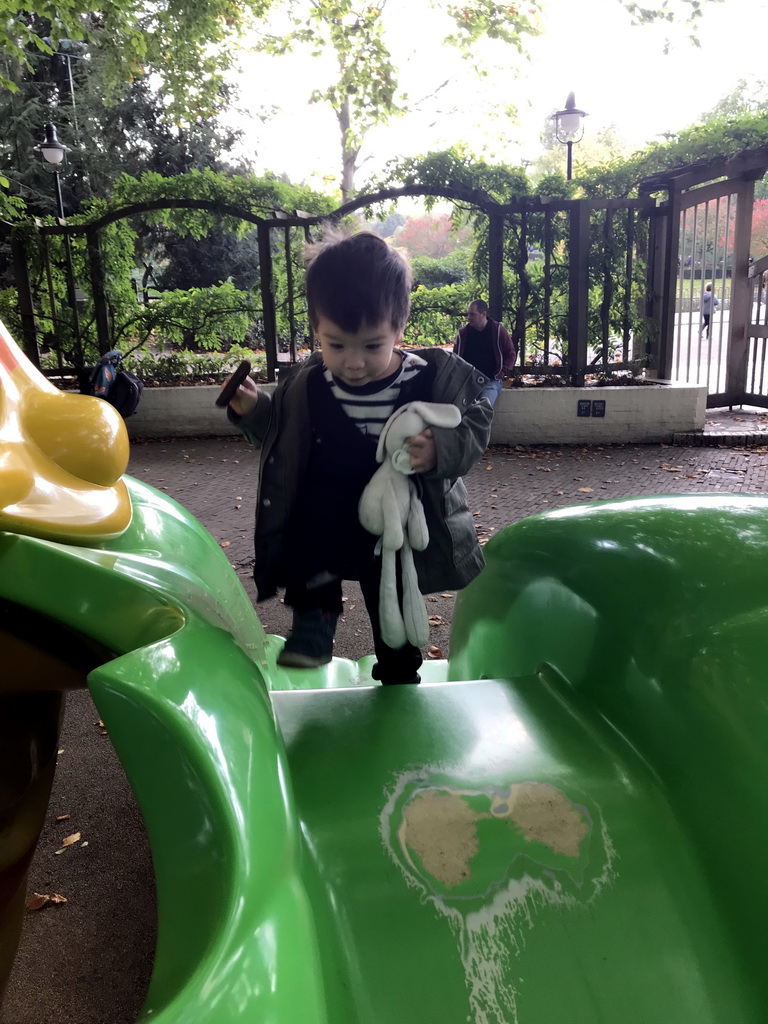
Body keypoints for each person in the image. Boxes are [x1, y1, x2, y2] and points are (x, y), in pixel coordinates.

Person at [222, 230, 492, 685]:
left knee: (392, 587)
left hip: (396, 516)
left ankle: (400, 664)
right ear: (317, 330)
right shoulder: (307, 385)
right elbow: (279, 432)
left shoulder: (433, 380)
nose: (352, 362)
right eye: (336, 344)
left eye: (371, 345)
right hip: (328, 507)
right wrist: (253, 411)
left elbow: (476, 426)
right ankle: (314, 624)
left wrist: (440, 449)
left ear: (400, 328)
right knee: (309, 541)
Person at [452, 300, 516, 407]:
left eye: (472, 314)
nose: (469, 317)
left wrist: (501, 373)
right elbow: (455, 358)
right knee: (459, 409)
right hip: (468, 382)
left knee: (484, 409)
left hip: (490, 381)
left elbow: (511, 354)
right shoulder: (463, 333)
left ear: (483, 314)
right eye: (468, 314)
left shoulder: (498, 330)